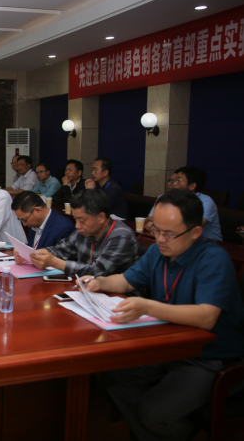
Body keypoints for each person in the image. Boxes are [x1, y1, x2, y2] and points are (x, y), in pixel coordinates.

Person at [86, 189, 244, 441]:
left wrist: (148, 307)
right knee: (116, 376)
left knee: (153, 413)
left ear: (195, 232)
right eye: (155, 229)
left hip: (209, 357)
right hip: (169, 345)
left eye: (168, 233)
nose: (159, 239)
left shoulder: (214, 260)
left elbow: (206, 317)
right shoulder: (158, 252)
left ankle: (168, 429)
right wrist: (99, 282)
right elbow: (126, 281)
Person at [16, 189, 138, 276]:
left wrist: (54, 262)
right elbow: (62, 249)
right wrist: (33, 254)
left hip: (120, 298)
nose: (77, 226)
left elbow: (97, 271)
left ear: (101, 217)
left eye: (82, 220)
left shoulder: (121, 235)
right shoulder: (84, 231)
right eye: (75, 220)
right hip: (87, 290)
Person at [146, 166, 222, 241]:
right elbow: (151, 222)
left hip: (207, 243)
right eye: (174, 180)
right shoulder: (172, 198)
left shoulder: (206, 202)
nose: (174, 183)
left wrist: (154, 225)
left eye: (178, 180)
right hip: (180, 241)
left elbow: (190, 228)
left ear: (192, 186)